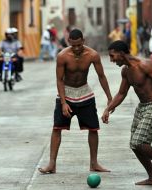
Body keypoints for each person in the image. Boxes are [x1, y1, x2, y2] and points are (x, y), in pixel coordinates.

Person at [38, 29, 113, 174]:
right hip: (67, 93)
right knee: (57, 128)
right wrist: (64, 103)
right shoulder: (62, 56)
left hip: (84, 93)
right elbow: (59, 80)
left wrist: (109, 97)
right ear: (69, 43)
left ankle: (94, 163)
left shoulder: (92, 55)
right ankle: (52, 164)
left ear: (83, 41)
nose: (77, 48)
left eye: (79, 45)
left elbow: (101, 76)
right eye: (74, 46)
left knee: (93, 129)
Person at [102, 40, 152, 185]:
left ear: (121, 53)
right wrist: (108, 109)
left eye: (112, 56)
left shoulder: (144, 65)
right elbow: (122, 93)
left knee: (138, 141)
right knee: (134, 145)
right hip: (142, 107)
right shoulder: (126, 71)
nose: (111, 60)